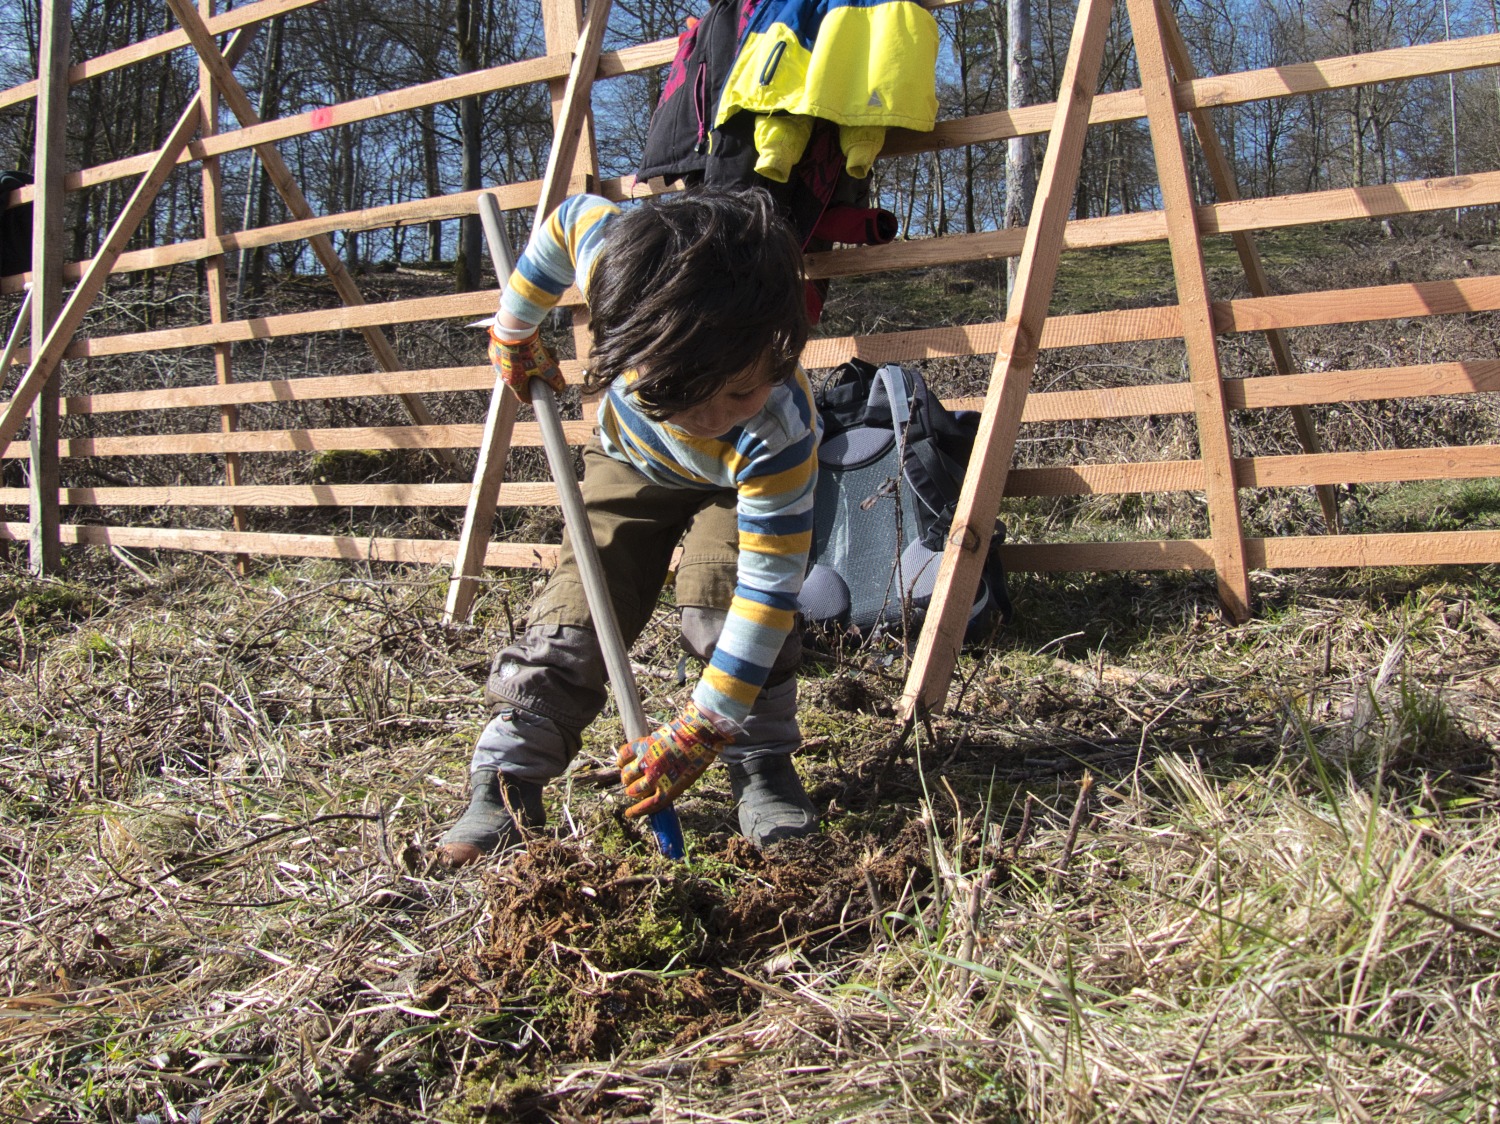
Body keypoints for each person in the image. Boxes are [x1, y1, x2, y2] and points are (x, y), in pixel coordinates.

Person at [437, 187, 822, 867]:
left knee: (722, 596)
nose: (710, 417)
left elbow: (767, 600)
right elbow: (565, 222)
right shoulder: (619, 256)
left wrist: (703, 728)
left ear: (780, 347)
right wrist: (515, 328)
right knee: (582, 604)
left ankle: (762, 767)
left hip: (738, 486)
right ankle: (508, 779)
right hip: (630, 460)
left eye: (739, 389)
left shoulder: (775, 435)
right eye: (674, 388)